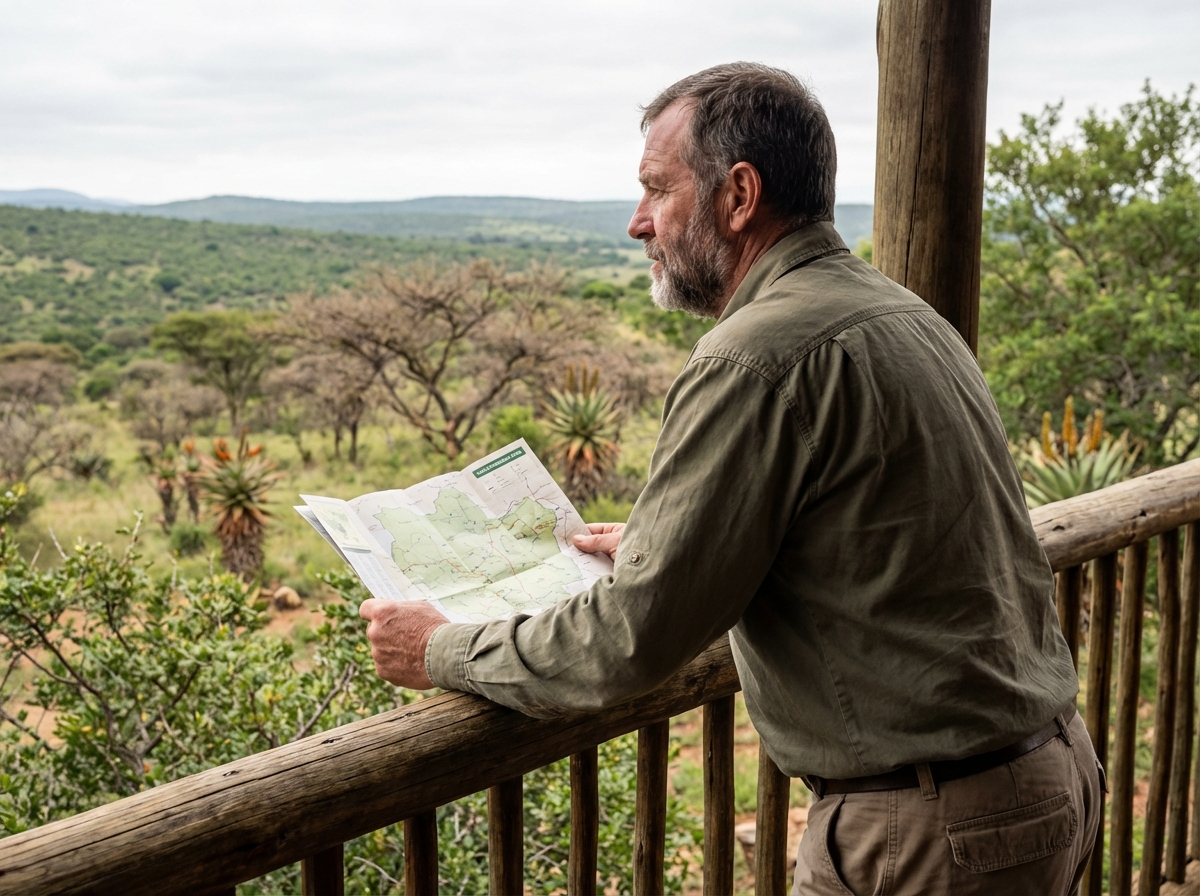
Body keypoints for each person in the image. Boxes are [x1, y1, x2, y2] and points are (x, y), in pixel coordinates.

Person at [359, 63, 1102, 894]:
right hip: (1045, 772)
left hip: (929, 828)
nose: (638, 224)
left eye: (656, 190)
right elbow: (879, 533)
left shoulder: (753, 356)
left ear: (738, 195)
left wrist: (442, 648)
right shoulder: (900, 313)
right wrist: (662, 545)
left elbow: (631, 638)